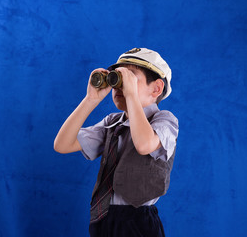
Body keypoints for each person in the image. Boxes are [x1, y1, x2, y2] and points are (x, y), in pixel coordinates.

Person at [54, 48, 179, 237]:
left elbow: (144, 145)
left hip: (138, 221)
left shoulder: (164, 120)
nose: (120, 87)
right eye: (118, 79)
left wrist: (131, 96)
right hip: (103, 216)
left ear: (157, 88)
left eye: (130, 78)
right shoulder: (113, 122)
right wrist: (90, 99)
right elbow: (62, 144)